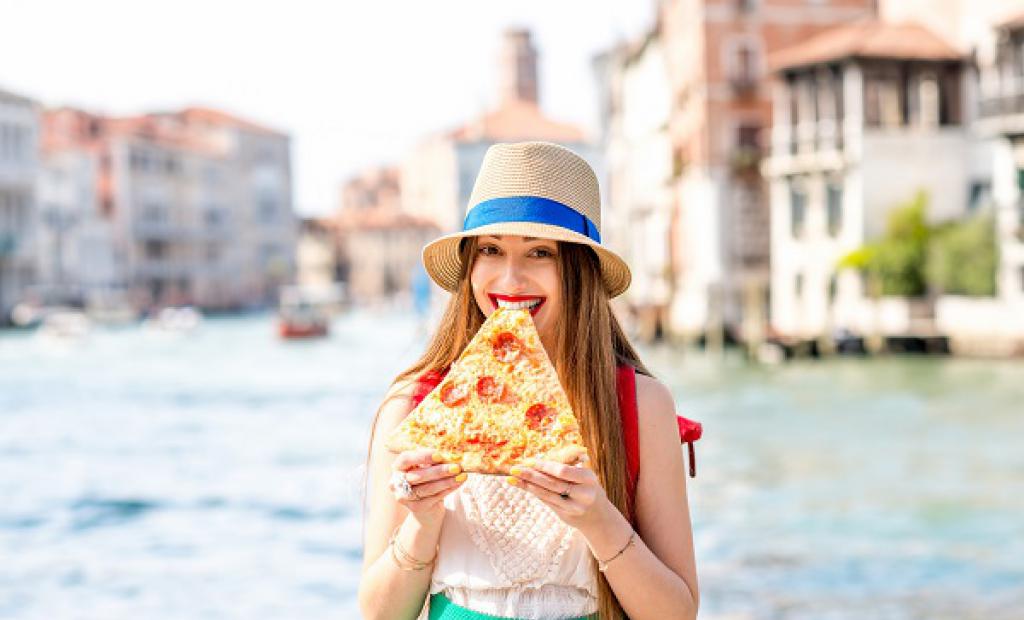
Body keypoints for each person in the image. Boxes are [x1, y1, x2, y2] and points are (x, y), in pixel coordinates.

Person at [359, 142, 699, 620]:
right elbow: (378, 615)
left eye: (540, 253)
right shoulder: (415, 406)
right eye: (490, 251)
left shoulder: (640, 404)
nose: (510, 278)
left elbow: (678, 615)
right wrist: (424, 520)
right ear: (470, 265)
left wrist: (598, 520)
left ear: (579, 271)